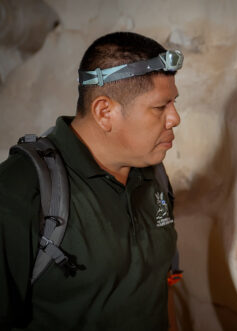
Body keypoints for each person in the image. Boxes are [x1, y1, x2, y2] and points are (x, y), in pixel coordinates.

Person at [0, 32, 182, 330]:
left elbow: (162, 283)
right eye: (160, 107)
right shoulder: (18, 192)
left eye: (174, 103)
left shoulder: (153, 175)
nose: (175, 118)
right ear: (104, 112)